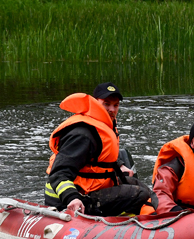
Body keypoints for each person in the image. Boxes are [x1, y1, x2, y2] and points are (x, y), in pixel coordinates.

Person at [44, 83, 155, 216]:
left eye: (116, 105)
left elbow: (101, 155)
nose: (112, 110)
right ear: (95, 104)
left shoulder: (102, 126)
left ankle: (167, 212)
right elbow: (59, 173)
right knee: (139, 194)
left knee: (136, 184)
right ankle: (133, 223)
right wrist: (72, 197)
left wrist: (119, 165)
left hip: (90, 188)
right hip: (70, 199)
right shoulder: (82, 134)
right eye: (106, 104)